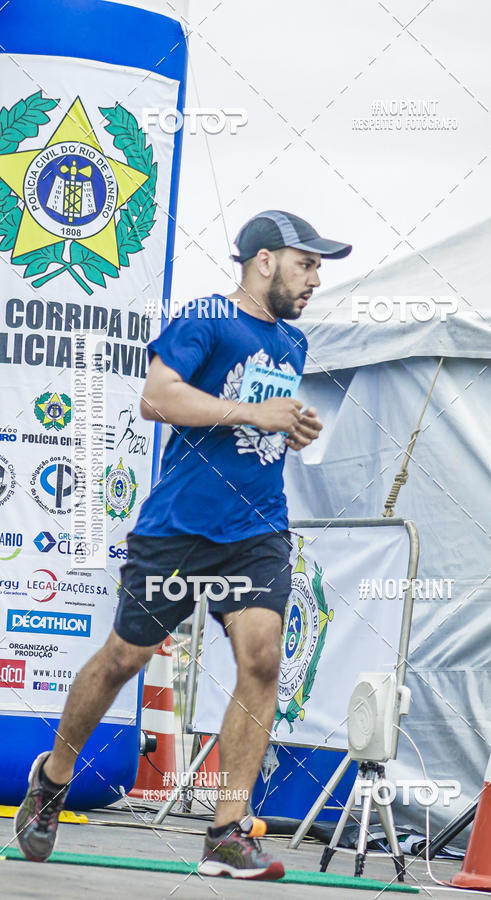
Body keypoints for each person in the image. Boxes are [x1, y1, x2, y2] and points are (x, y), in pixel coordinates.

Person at [15, 210, 351, 880]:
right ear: (264, 260)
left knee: (262, 660)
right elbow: (159, 398)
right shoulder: (205, 318)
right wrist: (258, 413)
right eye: (305, 263)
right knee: (124, 657)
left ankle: (227, 830)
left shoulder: (292, 343)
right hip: (178, 528)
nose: (315, 278)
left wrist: (288, 428)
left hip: (256, 528)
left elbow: (249, 426)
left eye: (318, 268)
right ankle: (52, 777)